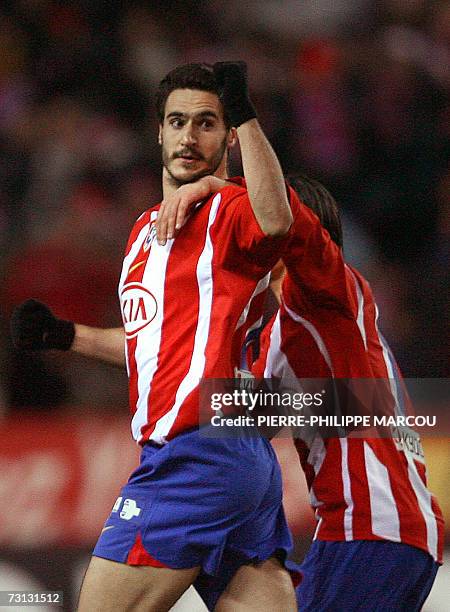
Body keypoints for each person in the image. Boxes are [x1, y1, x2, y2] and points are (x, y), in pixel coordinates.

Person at [10, 62, 299, 612]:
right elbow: (153, 346)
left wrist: (247, 115)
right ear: (159, 132)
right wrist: (64, 335)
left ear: (229, 136)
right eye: (178, 121)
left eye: (208, 123)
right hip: (235, 462)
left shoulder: (228, 210)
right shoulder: (144, 231)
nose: (189, 136)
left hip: (197, 455)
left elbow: (277, 221)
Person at [158, 174, 444, 612]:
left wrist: (219, 186)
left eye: (251, 222)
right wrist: (74, 339)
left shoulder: (326, 292)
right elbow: (236, 415)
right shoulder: (280, 334)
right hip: (369, 531)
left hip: (372, 528)